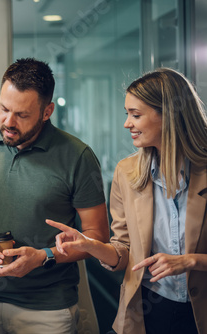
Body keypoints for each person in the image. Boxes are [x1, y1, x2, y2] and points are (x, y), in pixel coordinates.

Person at [0, 58, 109, 333]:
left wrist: (45, 256)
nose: (8, 122)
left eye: (22, 115)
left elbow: (97, 237)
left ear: (47, 111)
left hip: (49, 308)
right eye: (3, 109)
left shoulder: (78, 156)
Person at [47, 68, 207, 334]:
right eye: (127, 114)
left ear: (168, 114)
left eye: (136, 115)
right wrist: (91, 246)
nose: (127, 124)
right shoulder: (126, 172)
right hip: (149, 309)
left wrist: (190, 261)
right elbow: (123, 252)